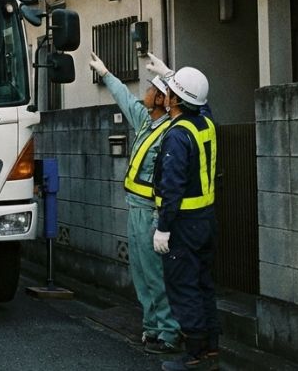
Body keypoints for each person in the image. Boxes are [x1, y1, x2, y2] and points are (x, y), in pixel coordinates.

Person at [88, 52, 181, 354]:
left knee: (156, 274)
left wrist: (170, 77)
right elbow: (124, 98)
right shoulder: (145, 121)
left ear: (162, 99)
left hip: (152, 212)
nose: (146, 92)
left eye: (152, 89)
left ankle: (169, 333)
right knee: (141, 272)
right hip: (135, 208)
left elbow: (199, 109)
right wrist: (105, 73)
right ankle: (151, 327)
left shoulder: (172, 130)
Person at [152, 67, 220, 371]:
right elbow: (201, 103)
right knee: (204, 284)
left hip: (182, 223)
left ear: (174, 99)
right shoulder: (206, 123)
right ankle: (210, 349)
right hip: (206, 220)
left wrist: (163, 228)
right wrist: (170, 74)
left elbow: (172, 186)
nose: (164, 97)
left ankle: (193, 355)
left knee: (184, 286)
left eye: (169, 92)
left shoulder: (178, 135)